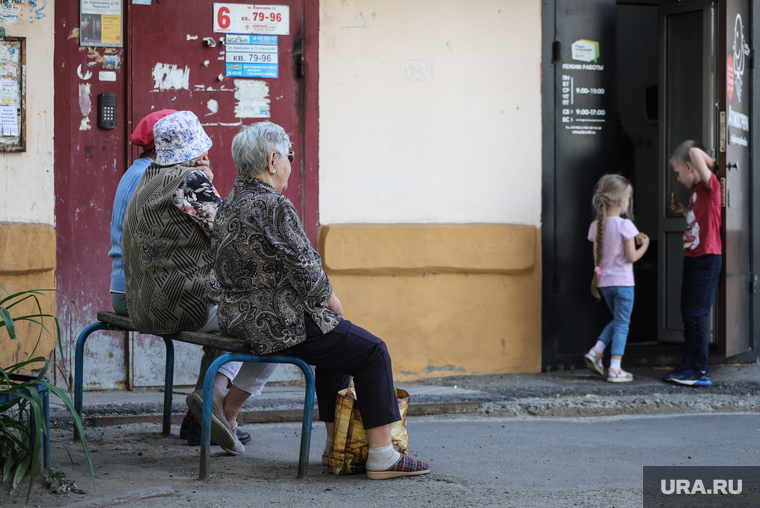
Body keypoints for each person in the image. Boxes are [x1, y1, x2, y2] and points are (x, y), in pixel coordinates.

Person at [204, 121, 430, 479]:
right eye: (289, 157)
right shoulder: (273, 205)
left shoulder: (229, 203)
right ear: (272, 160)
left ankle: (335, 446)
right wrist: (331, 300)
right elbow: (305, 266)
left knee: (336, 354)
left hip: (239, 317)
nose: (291, 165)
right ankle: (383, 455)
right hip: (280, 319)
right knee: (372, 351)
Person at [121, 111, 278, 453]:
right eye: (201, 148)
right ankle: (223, 408)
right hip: (183, 307)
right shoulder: (190, 181)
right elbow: (232, 238)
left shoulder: (148, 176)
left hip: (144, 307)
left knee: (244, 315)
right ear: (193, 151)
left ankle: (212, 403)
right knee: (277, 320)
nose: (207, 154)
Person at [662, 141, 722, 387]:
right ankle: (688, 364)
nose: (677, 179)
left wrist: (714, 165)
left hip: (707, 259)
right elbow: (701, 218)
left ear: (689, 167)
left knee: (696, 315)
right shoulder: (698, 191)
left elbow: (695, 152)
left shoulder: (710, 185)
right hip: (693, 257)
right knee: (688, 313)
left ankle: (699, 370)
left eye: (678, 172)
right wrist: (685, 210)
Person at [584, 174, 649, 383]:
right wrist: (645, 246)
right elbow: (631, 257)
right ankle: (615, 368)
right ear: (622, 201)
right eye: (628, 200)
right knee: (622, 324)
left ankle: (597, 351)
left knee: (618, 320)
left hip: (605, 284)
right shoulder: (625, 226)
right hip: (623, 284)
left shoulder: (596, 226)